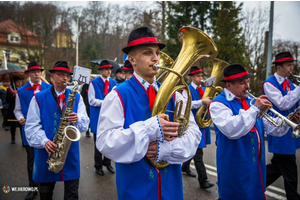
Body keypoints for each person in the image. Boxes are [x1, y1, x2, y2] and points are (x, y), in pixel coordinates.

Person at [96, 26, 201, 200]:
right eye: (147, 53)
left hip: (172, 190)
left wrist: (165, 149)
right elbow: (105, 142)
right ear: (132, 60)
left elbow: (194, 134)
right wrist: (148, 129)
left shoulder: (175, 94)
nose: (155, 58)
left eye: (157, 53)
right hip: (135, 191)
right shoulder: (118, 95)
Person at [209, 63, 299, 200]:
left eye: (248, 82)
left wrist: (286, 122)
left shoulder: (250, 101)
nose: (248, 86)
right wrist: (255, 109)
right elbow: (232, 129)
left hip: (255, 166)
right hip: (235, 166)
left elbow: (269, 128)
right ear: (228, 85)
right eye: (242, 83)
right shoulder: (218, 104)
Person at [25, 61, 89, 200]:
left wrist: (78, 119)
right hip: (47, 152)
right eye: (61, 75)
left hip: (70, 154)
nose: (65, 78)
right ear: (52, 77)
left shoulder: (76, 97)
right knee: (46, 195)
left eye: (67, 75)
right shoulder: (38, 98)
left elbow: (85, 124)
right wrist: (44, 141)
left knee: (72, 195)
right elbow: (31, 127)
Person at [262, 52, 300, 200]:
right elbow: (283, 104)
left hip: (290, 130)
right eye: (289, 65)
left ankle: (255, 184)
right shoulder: (269, 84)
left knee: (277, 167)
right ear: (279, 67)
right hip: (278, 129)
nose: (292, 68)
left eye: (292, 65)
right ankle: (293, 197)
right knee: (290, 168)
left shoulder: (291, 84)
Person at [14, 61, 51, 200]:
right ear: (28, 74)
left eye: (39, 71)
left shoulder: (49, 87)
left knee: (47, 159)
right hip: (29, 132)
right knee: (31, 161)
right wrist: (20, 118)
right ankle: (33, 188)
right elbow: (17, 110)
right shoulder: (21, 91)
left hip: (47, 131)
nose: (37, 74)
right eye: (34, 72)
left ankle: (47, 186)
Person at [181, 66, 214, 189]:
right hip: (192, 123)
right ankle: (203, 181)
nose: (201, 78)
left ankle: (184, 167)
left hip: (202, 123)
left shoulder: (204, 89)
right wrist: (202, 102)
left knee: (195, 149)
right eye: (198, 76)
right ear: (192, 77)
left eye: (201, 76)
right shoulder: (186, 90)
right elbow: (186, 106)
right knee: (198, 153)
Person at [88, 60, 117, 176]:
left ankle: (108, 163)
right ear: (101, 70)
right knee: (98, 142)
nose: (109, 71)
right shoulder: (93, 83)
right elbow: (91, 100)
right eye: (106, 69)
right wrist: (105, 102)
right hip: (98, 116)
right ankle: (98, 165)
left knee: (110, 141)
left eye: (110, 69)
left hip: (111, 116)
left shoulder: (114, 82)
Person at [6, 77, 23, 144]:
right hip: (12, 110)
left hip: (21, 109)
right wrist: (13, 95)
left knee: (22, 125)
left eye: (20, 81)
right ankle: (13, 138)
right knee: (13, 125)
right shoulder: (10, 90)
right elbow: (7, 100)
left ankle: (23, 141)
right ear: (14, 83)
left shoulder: (23, 89)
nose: (19, 83)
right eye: (18, 82)